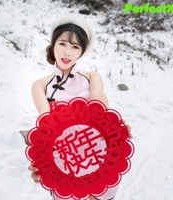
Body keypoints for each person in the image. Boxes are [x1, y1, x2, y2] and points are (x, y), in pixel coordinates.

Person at [28, 14, 120, 200]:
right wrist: (41, 161)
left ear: (82, 52)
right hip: (65, 163)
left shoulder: (92, 77)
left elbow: (101, 109)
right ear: (53, 45)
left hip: (98, 157)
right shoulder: (40, 86)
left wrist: (118, 129)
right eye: (62, 44)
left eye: (75, 46)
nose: (67, 52)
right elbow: (47, 125)